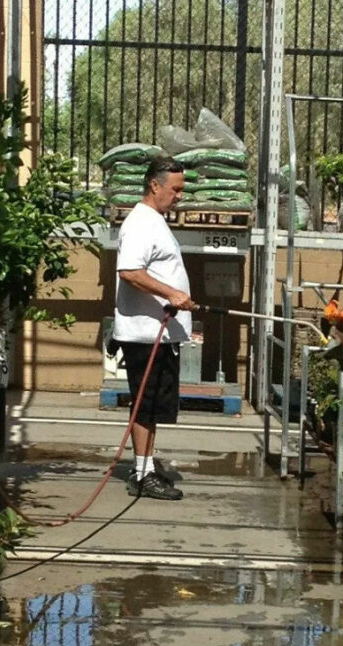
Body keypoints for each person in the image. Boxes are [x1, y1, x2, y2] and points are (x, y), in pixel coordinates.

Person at [112, 156, 195, 500]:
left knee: (155, 404)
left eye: (181, 190)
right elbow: (129, 271)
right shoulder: (141, 223)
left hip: (158, 333)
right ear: (154, 186)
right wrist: (171, 293)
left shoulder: (155, 221)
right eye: (175, 189)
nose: (179, 196)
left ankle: (145, 465)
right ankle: (142, 474)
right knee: (145, 404)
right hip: (145, 333)